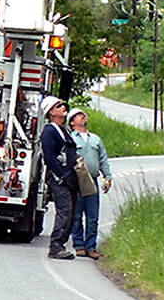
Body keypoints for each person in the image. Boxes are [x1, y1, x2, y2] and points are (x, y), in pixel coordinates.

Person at [68, 109, 113, 259]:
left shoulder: (95, 139)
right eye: (77, 116)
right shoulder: (70, 138)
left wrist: (107, 176)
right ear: (72, 122)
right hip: (77, 180)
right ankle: (79, 244)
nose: (82, 117)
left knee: (92, 215)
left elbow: (103, 159)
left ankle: (91, 246)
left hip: (92, 180)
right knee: (76, 215)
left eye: (83, 115)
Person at [39, 95, 80, 259]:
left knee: (71, 212)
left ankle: (60, 244)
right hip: (60, 179)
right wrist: (61, 176)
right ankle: (55, 247)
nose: (63, 107)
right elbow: (49, 157)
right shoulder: (49, 132)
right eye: (58, 106)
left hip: (70, 178)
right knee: (65, 212)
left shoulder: (63, 130)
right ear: (51, 112)